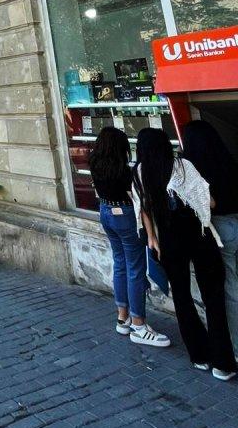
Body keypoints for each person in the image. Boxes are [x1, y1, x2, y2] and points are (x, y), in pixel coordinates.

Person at [134, 127, 236, 381]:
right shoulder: (183, 166)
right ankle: (223, 363)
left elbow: (143, 208)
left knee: (182, 298)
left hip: (169, 242)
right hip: (199, 236)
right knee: (213, 298)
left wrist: (152, 238)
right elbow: (208, 202)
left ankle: (199, 355)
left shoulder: (140, 172)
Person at [89, 126, 169, 347]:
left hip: (105, 212)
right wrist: (151, 234)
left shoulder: (95, 165)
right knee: (135, 269)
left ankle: (122, 317)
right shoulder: (125, 172)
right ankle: (138, 324)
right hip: (125, 216)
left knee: (120, 264)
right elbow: (140, 204)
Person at [181, 120, 238, 354]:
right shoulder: (227, 159)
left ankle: (235, 347)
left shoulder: (194, 170)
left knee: (230, 287)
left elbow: (207, 204)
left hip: (220, 228)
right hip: (236, 220)